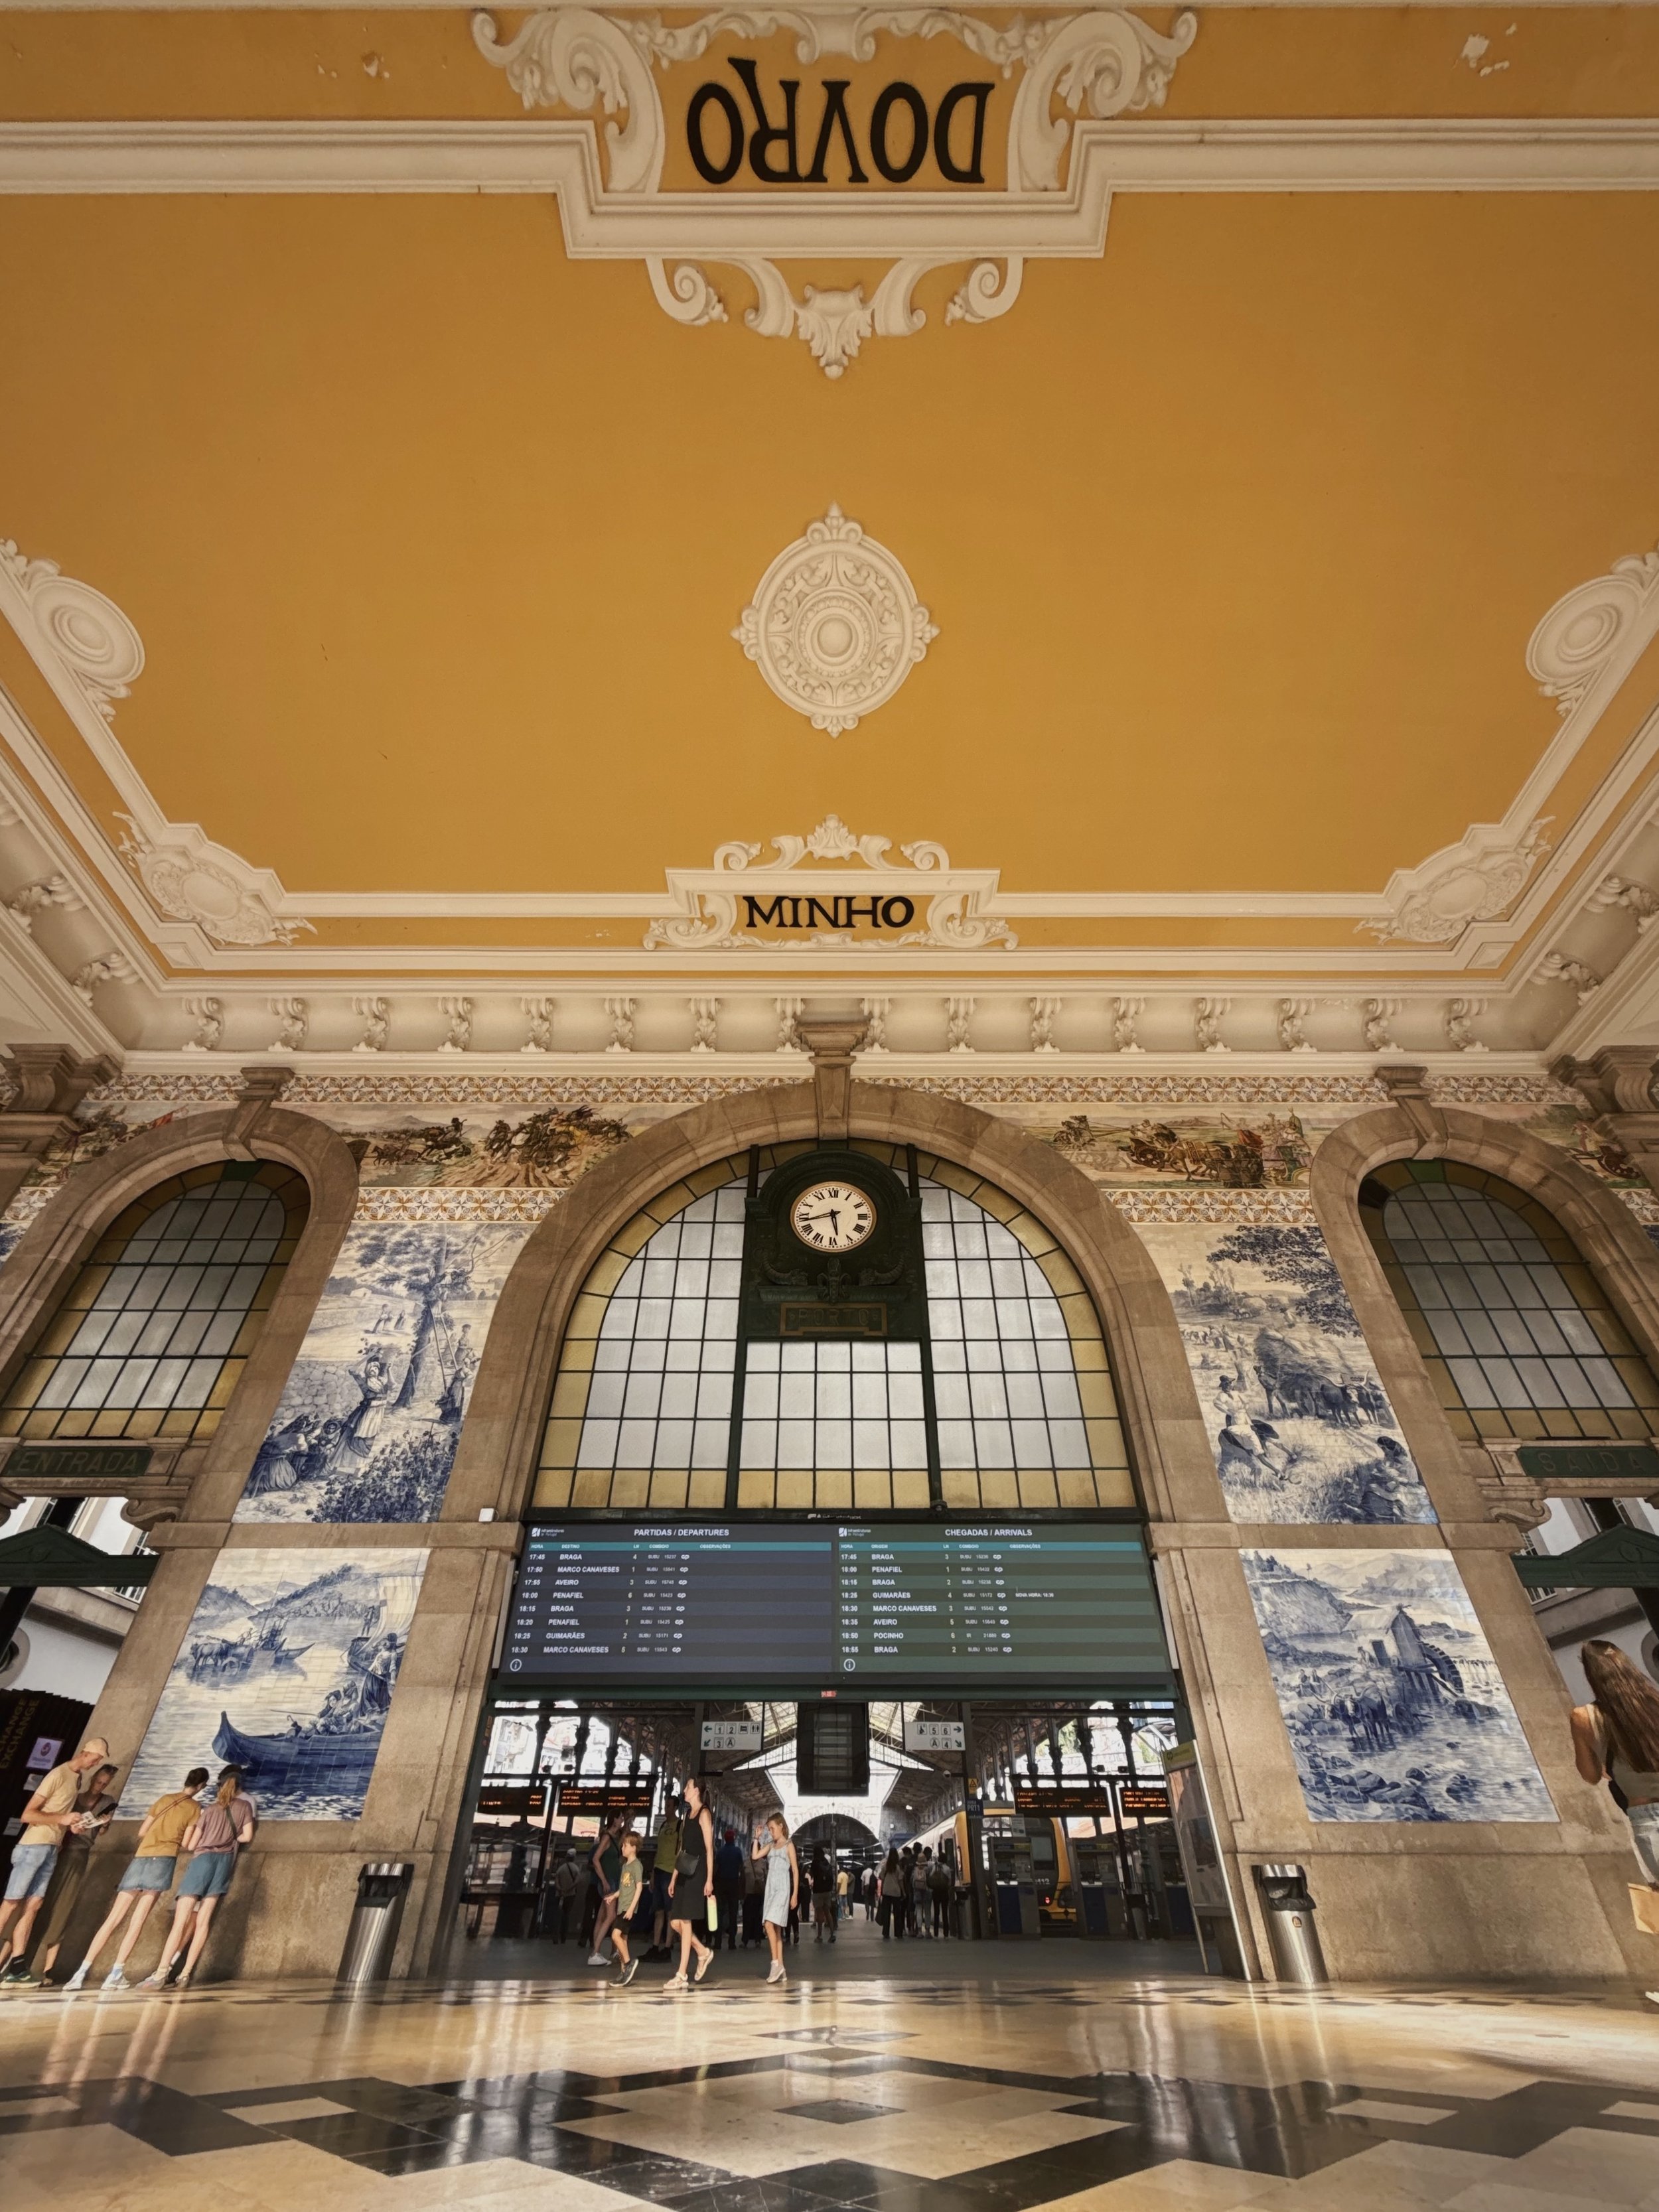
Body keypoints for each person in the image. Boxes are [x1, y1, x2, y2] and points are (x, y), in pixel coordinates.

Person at [63, 1769, 208, 1994]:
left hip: (141, 1856)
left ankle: (80, 1973)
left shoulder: (163, 1800)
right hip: (164, 1859)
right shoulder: (194, 1808)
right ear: (201, 1786)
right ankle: (115, 1974)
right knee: (137, 1920)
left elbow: (142, 1831)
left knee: (113, 1918)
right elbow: (188, 1844)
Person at [1571, 1637, 1659, 2006]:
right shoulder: (1655, 1699)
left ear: (1590, 1674)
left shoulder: (1584, 1717)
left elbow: (1589, 1775)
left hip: (1648, 1818)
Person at [0, 1736, 112, 1984]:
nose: (96, 1763)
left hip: (52, 1848)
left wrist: (72, 1825)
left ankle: (17, 1966)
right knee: (11, 1903)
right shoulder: (58, 1775)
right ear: (86, 1753)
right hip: (33, 1846)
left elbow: (60, 1816)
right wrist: (61, 1819)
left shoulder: (76, 1778)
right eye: (96, 1758)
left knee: (34, 1905)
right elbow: (28, 1814)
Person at [140, 1765, 255, 1988]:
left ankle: (161, 1973)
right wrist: (230, 1838)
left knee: (181, 1920)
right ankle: (186, 1974)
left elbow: (192, 1844)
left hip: (202, 1861)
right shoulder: (244, 1807)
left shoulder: (210, 1810)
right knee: (203, 1922)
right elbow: (246, 1836)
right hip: (223, 1864)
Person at [33, 1763, 120, 1984]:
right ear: (92, 1779)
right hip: (59, 1850)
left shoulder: (107, 1802)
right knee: (38, 1902)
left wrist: (104, 1824)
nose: (100, 1786)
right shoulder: (76, 1797)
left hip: (79, 1853)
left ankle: (49, 1969)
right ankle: (18, 1960)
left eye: (105, 1784)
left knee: (64, 1906)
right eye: (99, 1781)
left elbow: (100, 1831)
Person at [664, 1778, 715, 1990]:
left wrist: (710, 1879)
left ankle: (681, 1974)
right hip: (685, 1870)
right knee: (675, 1922)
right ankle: (702, 1952)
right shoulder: (687, 1815)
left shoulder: (704, 1814)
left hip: (698, 1872)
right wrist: (675, 1876)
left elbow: (709, 1849)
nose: (684, 1790)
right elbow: (683, 1849)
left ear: (696, 1791)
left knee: (685, 1922)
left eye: (687, 1786)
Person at [753, 1812, 798, 1986]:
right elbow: (755, 1856)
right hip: (771, 1888)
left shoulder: (789, 1846)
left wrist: (795, 1894)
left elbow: (795, 1870)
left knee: (768, 1924)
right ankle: (782, 1967)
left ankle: (775, 1964)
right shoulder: (770, 1846)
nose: (771, 1832)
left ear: (781, 1826)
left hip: (782, 1888)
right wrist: (756, 1839)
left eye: (773, 1828)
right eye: (769, 1829)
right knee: (777, 1929)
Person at [588, 1815, 624, 1966]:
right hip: (609, 1882)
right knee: (611, 1917)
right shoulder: (607, 1837)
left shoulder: (613, 1838)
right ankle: (595, 1953)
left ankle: (602, 1951)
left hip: (611, 1881)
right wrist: (603, 1880)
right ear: (614, 1820)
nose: (621, 1819)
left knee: (602, 1917)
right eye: (620, 1817)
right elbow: (596, 1858)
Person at [611, 1831, 645, 1986]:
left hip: (627, 1908)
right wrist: (614, 1896)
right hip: (621, 1906)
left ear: (633, 1847)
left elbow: (639, 1888)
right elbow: (624, 1888)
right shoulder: (625, 1866)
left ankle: (629, 1963)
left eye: (625, 1845)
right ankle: (625, 1971)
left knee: (615, 1936)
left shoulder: (636, 1866)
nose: (622, 1848)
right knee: (623, 1939)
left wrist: (632, 1908)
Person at [649, 1803, 681, 1959]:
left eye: (669, 1806)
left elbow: (682, 1850)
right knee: (659, 1911)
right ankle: (656, 1946)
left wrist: (677, 1875)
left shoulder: (680, 1826)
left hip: (671, 1872)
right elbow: (658, 1850)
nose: (666, 1809)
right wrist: (653, 1873)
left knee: (670, 1912)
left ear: (674, 1808)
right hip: (659, 1870)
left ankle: (667, 1947)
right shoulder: (663, 1825)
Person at [713, 1826, 746, 1951]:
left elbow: (716, 1868)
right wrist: (742, 1886)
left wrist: (714, 1883)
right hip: (733, 1884)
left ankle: (717, 1942)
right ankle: (732, 1943)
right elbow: (741, 1869)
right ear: (733, 1839)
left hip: (721, 1884)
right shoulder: (738, 1852)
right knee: (733, 1914)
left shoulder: (720, 1852)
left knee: (719, 1914)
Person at [551, 1847, 579, 1943]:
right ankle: (564, 1937)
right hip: (570, 1895)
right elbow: (576, 1882)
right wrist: (568, 1890)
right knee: (566, 1916)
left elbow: (556, 1881)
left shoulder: (561, 1868)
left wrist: (560, 1890)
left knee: (558, 1916)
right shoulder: (576, 1868)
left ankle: (555, 1937)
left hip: (559, 1895)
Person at [810, 1847, 835, 1944]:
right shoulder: (826, 1862)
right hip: (827, 1891)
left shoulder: (815, 1862)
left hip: (818, 1891)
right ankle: (832, 1934)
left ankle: (820, 1936)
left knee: (820, 1913)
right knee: (828, 1912)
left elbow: (812, 1874)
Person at [878, 1847, 904, 1939]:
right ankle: (898, 1933)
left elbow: (881, 1877)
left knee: (887, 1913)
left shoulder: (885, 1867)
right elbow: (900, 1880)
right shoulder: (898, 1867)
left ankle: (886, 1933)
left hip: (886, 1892)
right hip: (896, 1892)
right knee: (897, 1914)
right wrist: (903, 1892)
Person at [928, 1850, 953, 1939]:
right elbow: (950, 1882)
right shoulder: (947, 1868)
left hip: (936, 1892)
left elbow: (931, 1877)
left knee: (936, 1912)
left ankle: (936, 1933)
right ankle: (946, 1934)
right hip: (944, 1892)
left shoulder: (935, 1867)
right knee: (945, 1913)